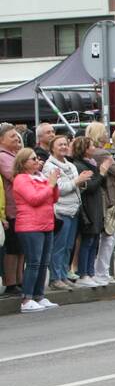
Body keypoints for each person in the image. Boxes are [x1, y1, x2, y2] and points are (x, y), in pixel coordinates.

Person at [12, 149, 59, 312]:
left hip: (46, 224)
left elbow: (53, 198)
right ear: (23, 163)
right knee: (33, 262)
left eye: (37, 158)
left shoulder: (40, 177)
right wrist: (51, 184)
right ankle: (26, 298)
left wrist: (54, 183)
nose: (37, 161)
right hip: (30, 226)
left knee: (44, 262)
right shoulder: (21, 179)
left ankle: (39, 295)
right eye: (32, 159)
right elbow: (34, 199)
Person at [43, 135, 90, 291]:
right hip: (61, 210)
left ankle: (63, 274)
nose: (63, 147)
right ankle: (55, 278)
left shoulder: (71, 165)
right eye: (59, 145)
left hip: (74, 209)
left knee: (69, 246)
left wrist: (82, 183)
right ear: (52, 148)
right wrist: (77, 181)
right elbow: (59, 189)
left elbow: (76, 186)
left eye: (65, 144)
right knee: (59, 246)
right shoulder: (49, 166)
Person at [70, 136, 112, 288]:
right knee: (87, 241)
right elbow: (90, 186)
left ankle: (90, 272)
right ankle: (83, 273)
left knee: (94, 241)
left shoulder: (91, 163)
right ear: (84, 149)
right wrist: (101, 172)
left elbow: (101, 184)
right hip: (88, 206)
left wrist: (102, 173)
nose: (94, 148)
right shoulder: (80, 165)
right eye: (91, 146)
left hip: (96, 205)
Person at [86, 122, 115, 285]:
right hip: (109, 197)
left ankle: (100, 272)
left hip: (107, 197)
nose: (107, 135)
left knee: (109, 236)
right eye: (104, 132)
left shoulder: (98, 153)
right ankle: (101, 272)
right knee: (109, 236)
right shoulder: (102, 153)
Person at [0, 123, 24, 293]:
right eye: (12, 136)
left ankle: (19, 279)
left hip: (21, 208)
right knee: (13, 247)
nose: (17, 138)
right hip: (10, 208)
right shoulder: (2, 156)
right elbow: (14, 176)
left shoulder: (15, 155)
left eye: (17, 135)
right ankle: (10, 283)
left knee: (21, 247)